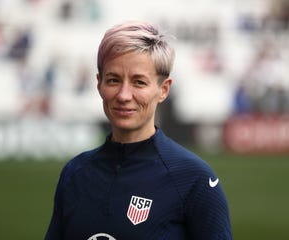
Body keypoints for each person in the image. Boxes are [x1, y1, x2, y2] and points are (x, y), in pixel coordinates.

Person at [44, 21, 232, 240]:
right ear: (99, 84)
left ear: (163, 89)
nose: (124, 95)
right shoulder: (75, 174)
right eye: (113, 80)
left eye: (139, 82)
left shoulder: (193, 179)